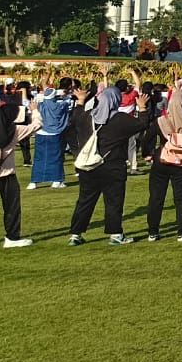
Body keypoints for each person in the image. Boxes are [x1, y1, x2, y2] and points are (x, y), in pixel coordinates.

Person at [69, 86, 149, 246]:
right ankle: (115, 234)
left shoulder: (88, 116)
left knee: (85, 201)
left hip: (89, 166)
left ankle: (75, 234)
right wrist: (142, 107)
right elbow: (142, 124)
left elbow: (75, 119)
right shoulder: (120, 119)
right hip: (113, 166)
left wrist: (80, 101)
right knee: (114, 201)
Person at [146, 75, 182, 241]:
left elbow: (147, 139)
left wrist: (148, 153)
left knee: (156, 197)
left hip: (162, 160)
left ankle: (153, 231)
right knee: (181, 198)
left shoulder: (161, 121)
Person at [0, 101, 39, 247]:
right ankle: (12, 237)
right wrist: (35, 111)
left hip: (7, 173)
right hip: (7, 174)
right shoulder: (14, 130)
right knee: (11, 207)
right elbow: (36, 126)